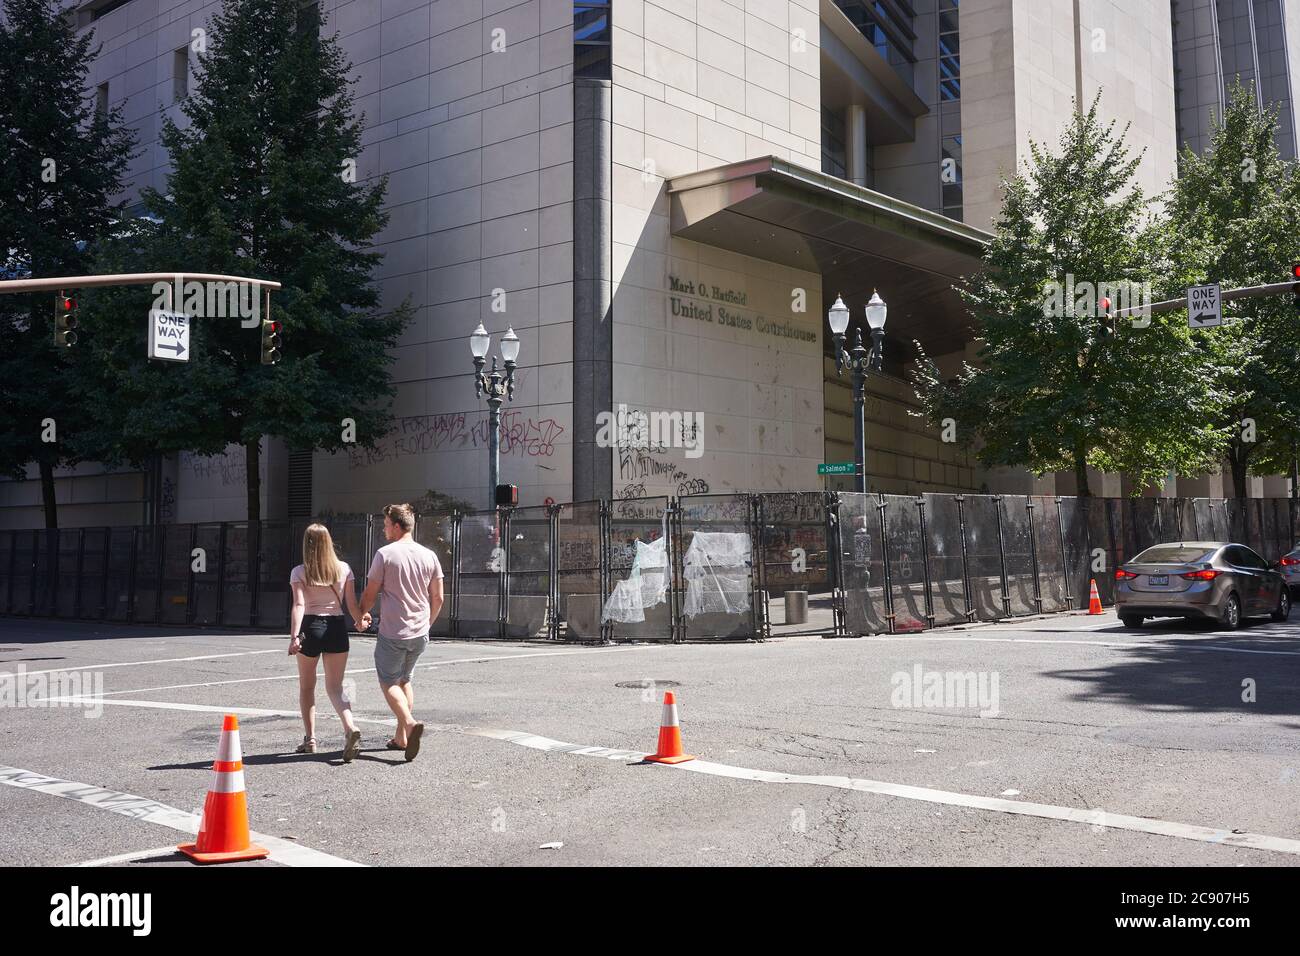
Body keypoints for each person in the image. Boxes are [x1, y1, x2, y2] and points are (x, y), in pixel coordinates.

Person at [357, 503, 444, 762]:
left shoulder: (385, 554)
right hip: (420, 632)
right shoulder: (429, 555)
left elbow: (371, 593)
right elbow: (438, 597)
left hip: (394, 631)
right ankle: (401, 738)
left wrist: (361, 612)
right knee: (405, 680)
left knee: (388, 681)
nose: (384, 529)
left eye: (385, 525)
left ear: (396, 525)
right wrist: (427, 625)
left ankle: (408, 723)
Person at [288, 523, 367, 762]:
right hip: (336, 627)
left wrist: (294, 637)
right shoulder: (344, 569)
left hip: (310, 628)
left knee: (307, 687)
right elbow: (351, 605)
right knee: (336, 687)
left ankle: (310, 739)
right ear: (328, 543)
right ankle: (349, 726)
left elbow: (299, 605)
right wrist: (360, 620)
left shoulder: (299, 572)